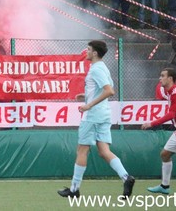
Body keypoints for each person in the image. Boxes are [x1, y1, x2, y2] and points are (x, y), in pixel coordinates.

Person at [58, 40, 135, 199]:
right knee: (104, 151)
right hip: (104, 114)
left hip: (92, 115)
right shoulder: (102, 67)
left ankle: (74, 189)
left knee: (82, 150)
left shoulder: (96, 70)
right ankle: (126, 177)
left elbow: (109, 91)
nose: (86, 52)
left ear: (94, 53)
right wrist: (86, 96)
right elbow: (102, 89)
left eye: (88, 49)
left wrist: (89, 105)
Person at [142, 68, 176, 197]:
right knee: (165, 154)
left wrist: (152, 123)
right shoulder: (169, 91)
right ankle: (164, 186)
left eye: (162, 76)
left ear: (170, 79)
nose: (160, 78)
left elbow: (172, 114)